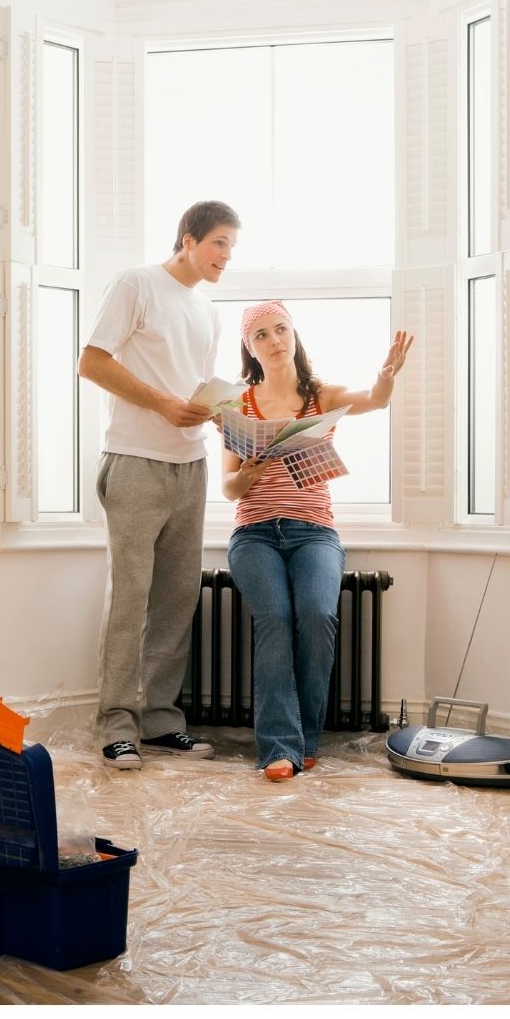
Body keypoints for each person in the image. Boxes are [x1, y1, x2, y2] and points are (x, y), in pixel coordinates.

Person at [78, 200, 241, 770]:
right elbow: (92, 362)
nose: (226, 256)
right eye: (219, 242)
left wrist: (216, 411)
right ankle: (115, 724)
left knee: (177, 598)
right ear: (188, 239)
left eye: (232, 247)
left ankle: (160, 720)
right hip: (135, 462)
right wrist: (163, 404)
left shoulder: (208, 311)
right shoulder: (137, 284)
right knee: (130, 598)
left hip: (189, 465)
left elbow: (191, 386)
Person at [222, 300, 413, 782]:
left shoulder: (319, 396)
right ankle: (279, 749)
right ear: (249, 347)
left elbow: (374, 398)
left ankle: (305, 739)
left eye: (280, 329)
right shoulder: (237, 407)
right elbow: (228, 489)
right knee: (275, 620)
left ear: (294, 334)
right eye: (261, 334)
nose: (274, 341)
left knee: (316, 616)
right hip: (254, 534)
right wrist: (248, 473)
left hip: (315, 534)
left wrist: (387, 375)